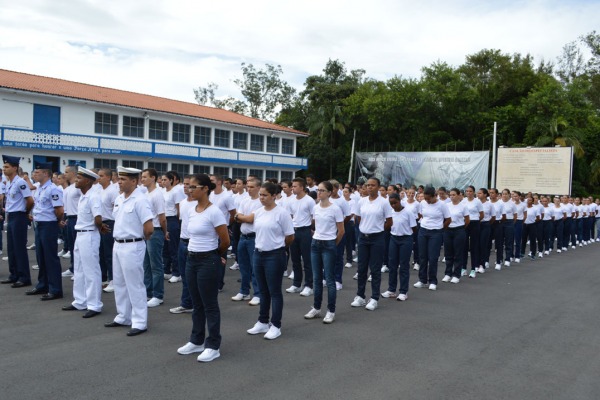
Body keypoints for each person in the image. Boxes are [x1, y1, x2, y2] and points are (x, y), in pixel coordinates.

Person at [176, 173, 230, 362]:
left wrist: (215, 256)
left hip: (208, 260)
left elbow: (225, 240)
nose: (189, 190)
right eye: (188, 187)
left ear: (205, 189)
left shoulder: (214, 211)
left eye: (193, 187)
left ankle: (213, 345)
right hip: (191, 259)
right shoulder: (191, 209)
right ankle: (196, 340)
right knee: (196, 303)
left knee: (210, 305)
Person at [104, 167, 154, 337]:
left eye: (123, 179)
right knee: (119, 282)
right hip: (118, 244)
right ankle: (123, 316)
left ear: (134, 181)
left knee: (135, 284)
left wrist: (140, 241)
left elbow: (149, 228)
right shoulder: (119, 198)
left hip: (133, 244)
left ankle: (140, 321)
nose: (119, 182)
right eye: (119, 178)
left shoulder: (140, 200)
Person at [246, 182, 294, 340]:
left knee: (274, 291)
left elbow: (290, 236)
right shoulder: (258, 212)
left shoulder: (282, 213)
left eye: (265, 195)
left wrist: (278, 247)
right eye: (260, 194)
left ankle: (276, 325)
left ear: (274, 196)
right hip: (258, 254)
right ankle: (262, 321)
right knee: (262, 290)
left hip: (275, 255)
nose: (261, 198)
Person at [62, 167, 106, 318]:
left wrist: (100, 228)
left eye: (79, 178)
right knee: (79, 269)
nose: (76, 180)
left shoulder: (93, 196)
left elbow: (98, 218)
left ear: (87, 181)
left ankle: (94, 305)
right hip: (80, 234)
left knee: (91, 270)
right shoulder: (83, 195)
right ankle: (80, 301)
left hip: (89, 235)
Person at [304, 181, 344, 323]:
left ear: (329, 192)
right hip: (315, 243)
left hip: (329, 244)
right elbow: (315, 224)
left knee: (329, 279)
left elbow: (341, 231)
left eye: (322, 190)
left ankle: (330, 310)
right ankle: (316, 308)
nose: (319, 192)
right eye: (318, 190)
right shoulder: (315, 208)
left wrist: (332, 244)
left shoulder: (335, 209)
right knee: (316, 279)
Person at [351, 177, 392, 310]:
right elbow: (358, 218)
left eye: (372, 185)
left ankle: (374, 298)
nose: (369, 187)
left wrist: (378, 230)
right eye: (367, 185)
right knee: (361, 268)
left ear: (378, 187)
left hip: (377, 238)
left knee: (375, 269)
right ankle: (360, 296)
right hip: (363, 238)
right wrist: (366, 228)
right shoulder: (361, 201)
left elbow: (389, 221)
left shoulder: (384, 202)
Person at [26, 162, 64, 300]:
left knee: (50, 258)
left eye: (37, 172)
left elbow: (59, 210)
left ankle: (55, 289)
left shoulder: (53, 189)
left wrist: (57, 220)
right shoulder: (39, 188)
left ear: (46, 174)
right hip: (39, 224)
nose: (34, 174)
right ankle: (43, 284)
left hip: (48, 225)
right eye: (34, 172)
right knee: (40, 256)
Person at [0, 155, 34, 287]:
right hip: (11, 216)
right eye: (4, 166)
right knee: (11, 248)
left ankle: (24, 277)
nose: (4, 169)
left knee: (19, 248)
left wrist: (25, 213)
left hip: (19, 216)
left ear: (15, 168)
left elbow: (30, 201)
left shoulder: (21, 182)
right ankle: (14, 274)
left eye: (7, 167)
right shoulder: (9, 182)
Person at [232, 177, 263, 305]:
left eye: (251, 187)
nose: (248, 189)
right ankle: (244, 291)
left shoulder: (261, 202)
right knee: (243, 266)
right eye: (248, 187)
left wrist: (243, 217)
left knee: (255, 267)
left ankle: (258, 294)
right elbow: (236, 216)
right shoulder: (244, 200)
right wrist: (244, 217)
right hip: (243, 236)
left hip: (254, 237)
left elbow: (250, 219)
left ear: (258, 188)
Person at [141, 168, 168, 308]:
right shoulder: (146, 193)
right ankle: (148, 292)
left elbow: (162, 217)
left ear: (153, 178)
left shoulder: (157, 194)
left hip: (156, 231)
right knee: (146, 264)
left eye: (145, 177)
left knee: (156, 265)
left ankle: (158, 295)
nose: (142, 179)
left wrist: (165, 232)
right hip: (146, 232)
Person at [414, 187, 450, 291]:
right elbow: (420, 214)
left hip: (436, 232)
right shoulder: (423, 203)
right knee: (422, 256)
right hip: (423, 231)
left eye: (429, 199)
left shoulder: (442, 205)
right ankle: (422, 280)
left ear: (435, 196)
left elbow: (448, 219)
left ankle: (433, 281)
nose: (427, 201)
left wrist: (441, 228)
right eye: (425, 198)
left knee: (433, 257)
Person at [382, 193, 416, 300]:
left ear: (399, 200)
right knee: (392, 265)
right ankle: (391, 290)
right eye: (391, 203)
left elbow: (414, 228)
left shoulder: (408, 212)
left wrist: (411, 240)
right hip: (393, 239)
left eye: (395, 203)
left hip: (406, 239)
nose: (393, 205)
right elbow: (386, 225)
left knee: (404, 265)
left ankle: (403, 291)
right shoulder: (390, 212)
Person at [169, 175, 195, 315]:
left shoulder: (200, 204)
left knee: (194, 278)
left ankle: (196, 304)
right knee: (185, 277)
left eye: (189, 185)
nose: (185, 187)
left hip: (195, 244)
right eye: (184, 184)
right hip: (182, 241)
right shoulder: (183, 202)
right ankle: (186, 304)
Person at [286, 177, 315, 296]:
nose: (293, 188)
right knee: (295, 259)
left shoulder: (309, 200)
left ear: (302, 187)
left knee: (307, 260)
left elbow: (314, 217)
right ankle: (296, 284)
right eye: (292, 186)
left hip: (305, 231)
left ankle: (309, 285)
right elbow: (290, 216)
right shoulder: (291, 201)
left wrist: (311, 229)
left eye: (295, 186)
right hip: (294, 231)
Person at [209, 174, 235, 291]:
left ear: (219, 182)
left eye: (212, 180)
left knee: (221, 258)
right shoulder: (210, 194)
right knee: (211, 257)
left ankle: (219, 284)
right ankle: (212, 281)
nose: (209, 182)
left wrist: (227, 226)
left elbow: (233, 213)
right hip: (210, 231)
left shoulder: (226, 196)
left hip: (221, 230)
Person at [161, 171, 186, 282]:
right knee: (165, 248)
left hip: (172, 220)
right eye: (162, 180)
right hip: (163, 220)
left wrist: (177, 222)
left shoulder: (175, 192)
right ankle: (167, 270)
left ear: (171, 180)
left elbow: (178, 209)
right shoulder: (162, 192)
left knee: (173, 247)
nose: (163, 181)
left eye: (165, 179)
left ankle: (177, 272)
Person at [441, 188, 469, 284]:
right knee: (448, 253)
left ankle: (456, 274)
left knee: (458, 253)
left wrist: (460, 227)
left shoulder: (463, 206)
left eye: (454, 195)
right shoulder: (446, 205)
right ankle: (448, 273)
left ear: (458, 195)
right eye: (450, 195)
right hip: (448, 230)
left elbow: (467, 220)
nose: (452, 197)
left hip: (459, 230)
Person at [98, 168, 119, 293]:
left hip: (109, 223)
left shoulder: (112, 191)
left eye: (101, 176)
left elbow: (115, 209)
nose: (99, 178)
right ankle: (104, 278)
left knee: (109, 254)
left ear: (108, 177)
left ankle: (113, 280)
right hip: (100, 223)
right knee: (101, 253)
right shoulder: (100, 190)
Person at [61, 165, 81, 276]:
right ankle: (73, 268)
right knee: (71, 245)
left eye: (67, 172)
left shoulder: (77, 187)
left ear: (73, 173)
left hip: (77, 218)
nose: (65, 174)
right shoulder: (68, 188)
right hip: (70, 218)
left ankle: (78, 270)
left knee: (77, 246)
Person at [463, 186, 483, 278]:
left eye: (470, 191)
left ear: (474, 192)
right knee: (464, 246)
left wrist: (475, 221)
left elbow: (481, 215)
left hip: (475, 223)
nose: (468, 193)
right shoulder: (463, 201)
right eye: (467, 191)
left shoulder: (477, 201)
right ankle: (463, 268)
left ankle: (473, 269)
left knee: (474, 247)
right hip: (465, 224)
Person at [496, 189, 517, 269]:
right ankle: (499, 258)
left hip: (509, 222)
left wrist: (511, 223)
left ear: (509, 195)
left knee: (508, 241)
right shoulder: (499, 203)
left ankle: (507, 258)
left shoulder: (512, 204)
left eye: (506, 194)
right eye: (503, 194)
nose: (504, 195)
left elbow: (515, 216)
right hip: (500, 222)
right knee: (499, 241)